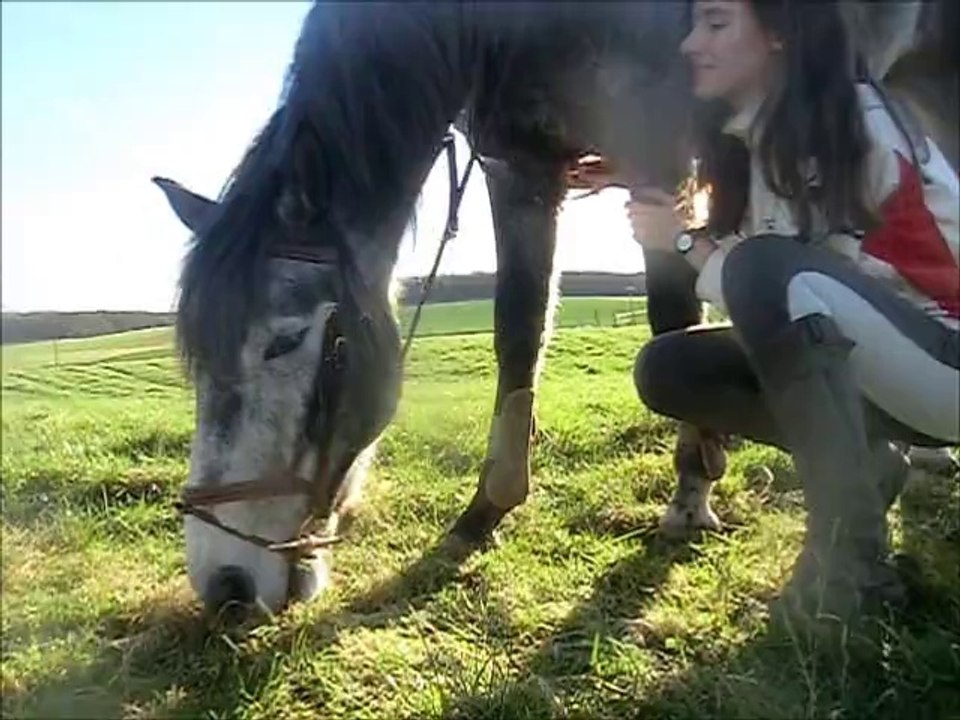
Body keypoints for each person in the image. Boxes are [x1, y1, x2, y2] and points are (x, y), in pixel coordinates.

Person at [626, 0, 959, 622]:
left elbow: (779, 280)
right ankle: (866, 467)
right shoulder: (755, 143)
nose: (690, 44)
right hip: (888, 363)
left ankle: (858, 576)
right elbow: (792, 292)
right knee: (668, 368)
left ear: (778, 32)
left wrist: (681, 240)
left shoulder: (848, 124)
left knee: (761, 269)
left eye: (717, 23)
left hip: (948, 363)